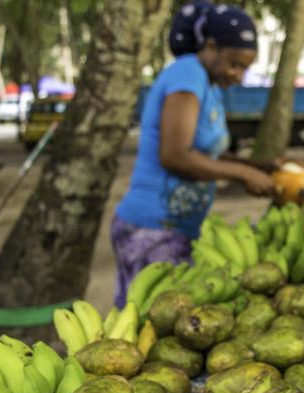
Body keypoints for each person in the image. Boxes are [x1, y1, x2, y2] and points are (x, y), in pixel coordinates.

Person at [112, 1, 274, 306]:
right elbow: (174, 154)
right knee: (150, 326)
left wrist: (262, 166)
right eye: (235, 64)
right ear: (211, 46)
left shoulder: (209, 85)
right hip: (153, 229)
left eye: (245, 68)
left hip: (178, 229)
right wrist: (243, 174)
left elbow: (208, 155)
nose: (239, 75)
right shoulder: (188, 73)